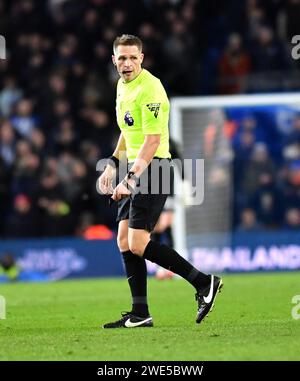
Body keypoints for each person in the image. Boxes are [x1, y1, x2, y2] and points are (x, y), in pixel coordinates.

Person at [98, 34, 223, 328]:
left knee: (138, 243)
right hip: (135, 167)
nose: (127, 63)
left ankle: (204, 283)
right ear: (113, 60)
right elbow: (128, 131)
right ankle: (140, 313)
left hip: (154, 170)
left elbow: (153, 141)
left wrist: (128, 180)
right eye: (122, 58)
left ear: (142, 58)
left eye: (132, 57)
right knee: (123, 240)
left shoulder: (151, 89)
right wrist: (112, 164)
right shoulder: (122, 86)